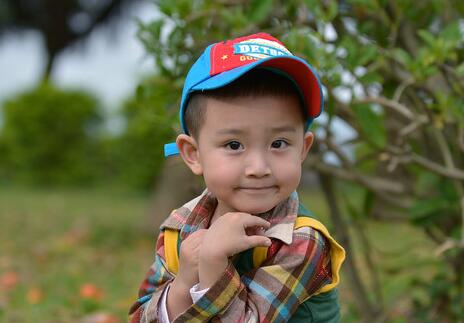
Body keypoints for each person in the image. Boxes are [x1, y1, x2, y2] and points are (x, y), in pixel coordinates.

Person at [129, 32, 345, 323]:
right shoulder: (179, 228)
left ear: (303, 149)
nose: (258, 167)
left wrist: (213, 267)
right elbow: (141, 316)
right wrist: (183, 284)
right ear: (193, 154)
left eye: (279, 143)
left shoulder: (301, 241)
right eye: (234, 145)